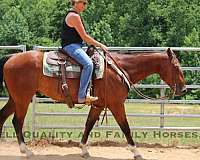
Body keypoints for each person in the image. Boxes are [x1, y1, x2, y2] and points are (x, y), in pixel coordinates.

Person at [61, 0, 108, 104]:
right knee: (88, 64)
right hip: (71, 46)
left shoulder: (73, 14)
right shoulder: (74, 16)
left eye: (86, 3)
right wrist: (100, 45)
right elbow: (85, 37)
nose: (85, 6)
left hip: (75, 45)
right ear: (76, 2)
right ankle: (82, 96)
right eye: (84, 3)